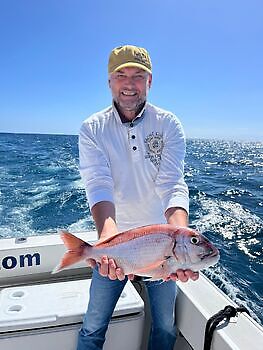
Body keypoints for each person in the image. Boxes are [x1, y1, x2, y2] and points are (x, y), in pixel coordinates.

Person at [77, 44, 199, 350]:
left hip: (163, 244)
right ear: (109, 81)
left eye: (138, 75)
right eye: (121, 75)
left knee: (167, 328)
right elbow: (98, 184)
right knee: (92, 325)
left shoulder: (168, 124)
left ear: (149, 81)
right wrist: (107, 244)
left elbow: (172, 184)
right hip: (115, 242)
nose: (129, 83)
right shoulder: (92, 129)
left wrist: (181, 237)